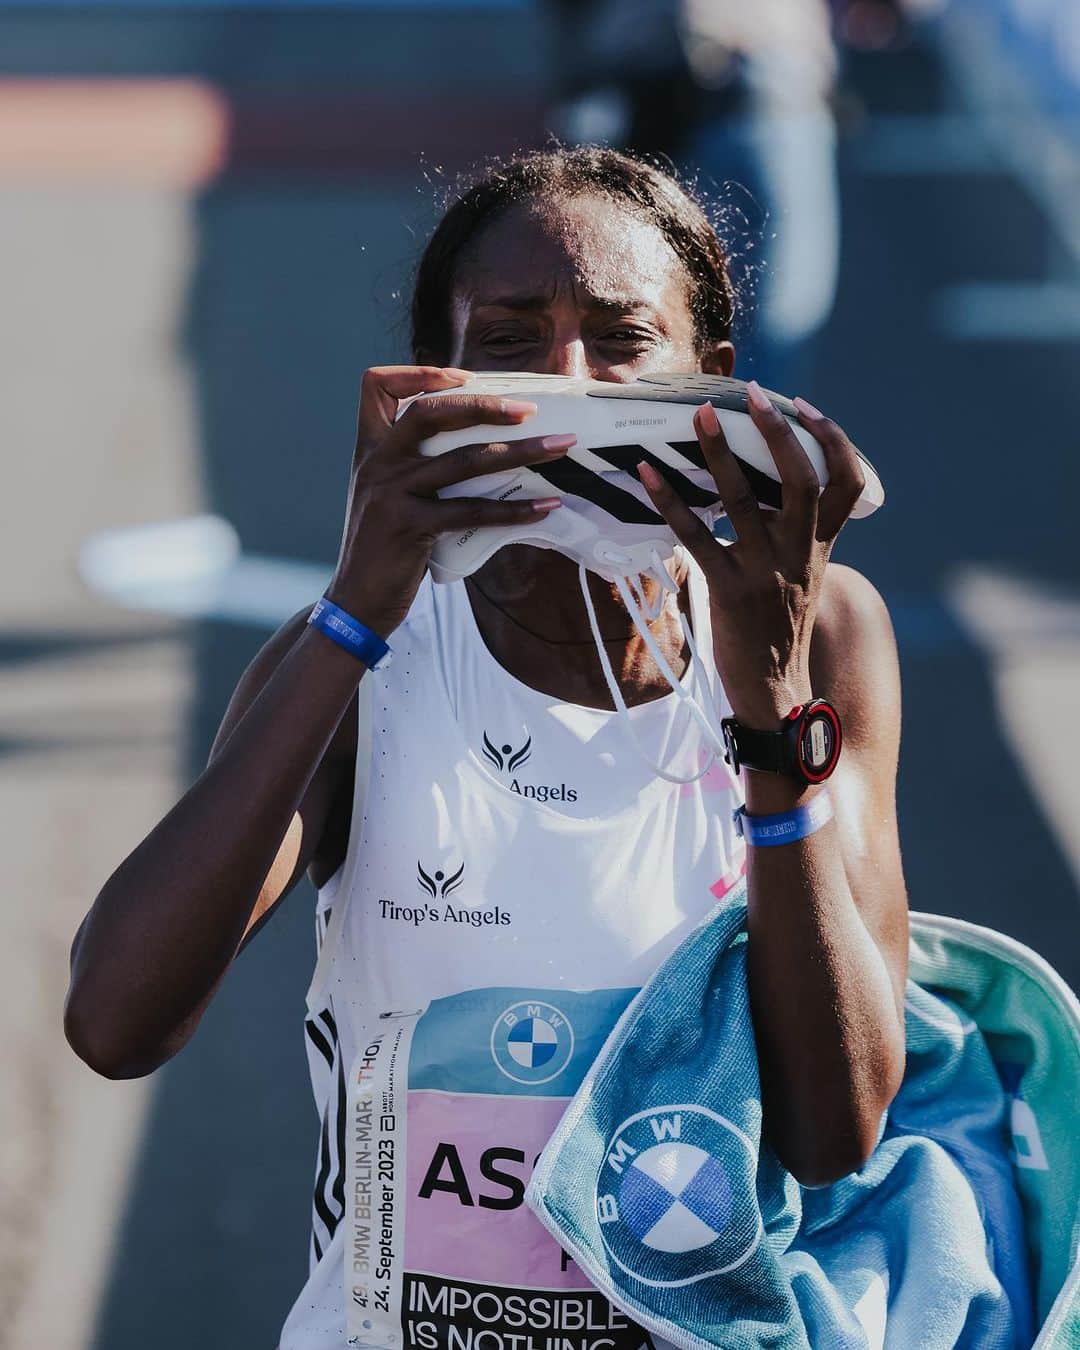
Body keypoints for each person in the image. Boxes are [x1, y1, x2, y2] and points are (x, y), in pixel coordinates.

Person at [64, 147, 908, 1349]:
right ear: (436, 380)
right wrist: (355, 614)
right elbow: (113, 1022)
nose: (569, 384)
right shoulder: (366, 661)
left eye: (621, 342)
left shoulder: (821, 634)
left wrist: (767, 710)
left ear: (710, 382)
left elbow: (839, 1129)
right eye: (511, 341)